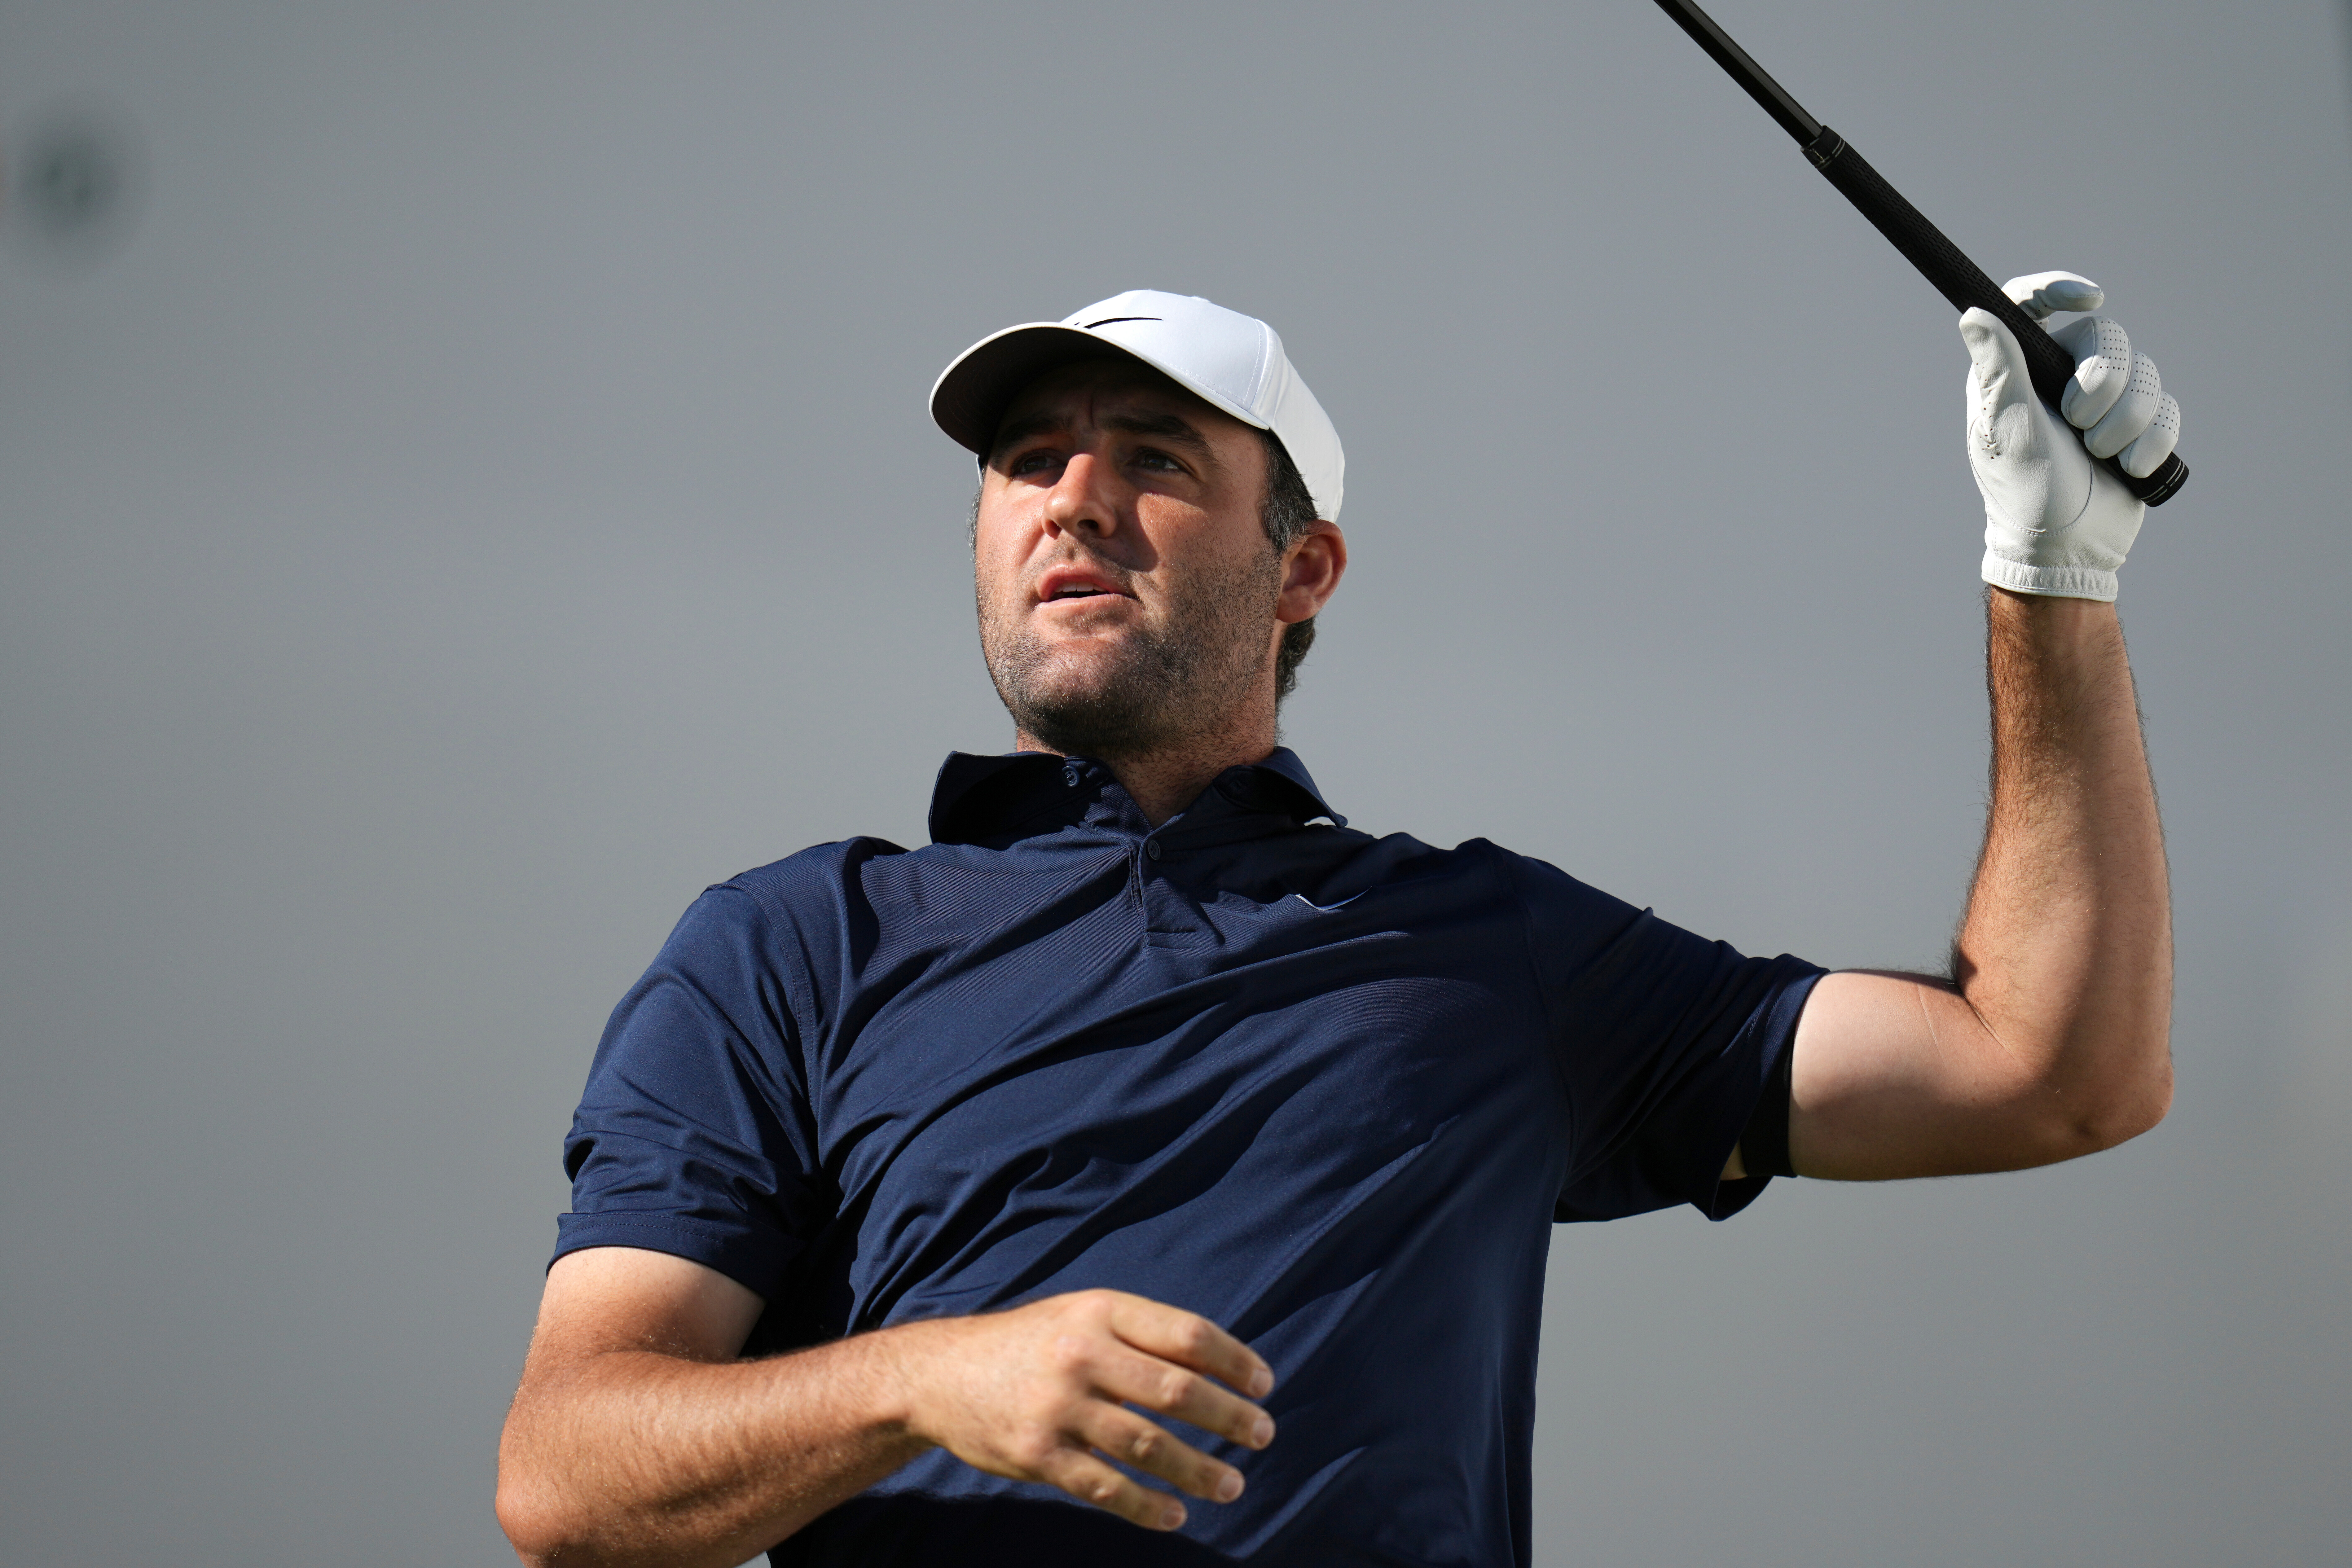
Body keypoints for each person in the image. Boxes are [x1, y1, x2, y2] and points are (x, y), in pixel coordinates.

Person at [495, 281, 2180, 1568]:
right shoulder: (792, 943)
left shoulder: (1486, 947)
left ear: (1300, 569)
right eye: (1026, 460)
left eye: (1153, 460)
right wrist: (920, 1380)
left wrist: (2053, 577)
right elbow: (565, 1473)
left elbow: (2047, 1066)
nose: (1071, 500)